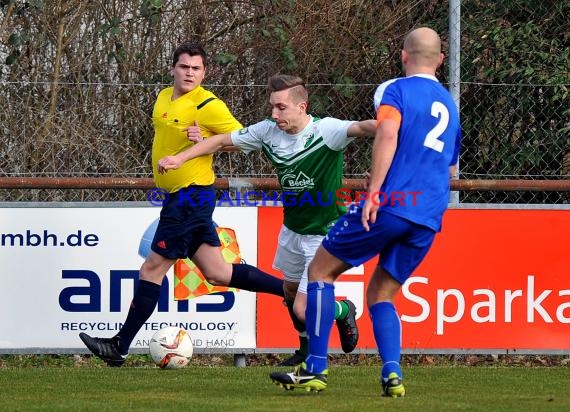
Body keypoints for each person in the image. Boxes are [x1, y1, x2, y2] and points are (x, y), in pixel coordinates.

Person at [269, 27, 462, 396]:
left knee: (321, 271)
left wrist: (374, 191)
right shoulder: (449, 104)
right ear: (440, 59)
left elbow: (387, 133)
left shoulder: (397, 90)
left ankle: (315, 368)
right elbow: (450, 166)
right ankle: (392, 375)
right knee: (382, 293)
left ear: (404, 56)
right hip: (429, 214)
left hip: (391, 204)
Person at [79, 42, 285, 366]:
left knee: (152, 268)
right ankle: (290, 291)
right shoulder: (163, 96)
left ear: (205, 72)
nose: (189, 73)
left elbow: (245, 141)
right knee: (217, 272)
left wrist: (205, 142)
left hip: (190, 196)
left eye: (196, 68)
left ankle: (119, 346)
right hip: (184, 197)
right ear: (173, 68)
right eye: (184, 67)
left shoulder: (208, 104)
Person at [158, 74, 377, 366]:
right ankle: (303, 349)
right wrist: (181, 159)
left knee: (301, 307)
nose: (274, 114)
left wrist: (397, 123)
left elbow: (364, 127)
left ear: (302, 107)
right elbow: (221, 140)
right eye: (272, 107)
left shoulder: (326, 130)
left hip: (323, 234)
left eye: (281, 107)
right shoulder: (268, 131)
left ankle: (341, 310)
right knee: (288, 291)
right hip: (293, 229)